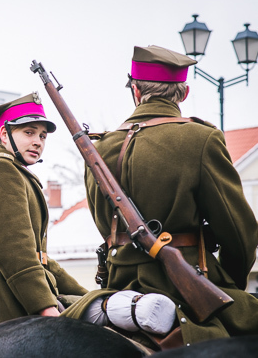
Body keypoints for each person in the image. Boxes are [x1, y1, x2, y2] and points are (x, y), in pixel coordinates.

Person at [62, 45, 258, 346]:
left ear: (136, 91)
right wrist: (224, 286)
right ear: (185, 92)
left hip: (118, 288)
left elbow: (106, 227)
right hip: (183, 293)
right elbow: (239, 233)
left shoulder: (100, 149)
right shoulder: (201, 139)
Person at [0, 92, 88, 325]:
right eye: (29, 132)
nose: (38, 142)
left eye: (43, 136)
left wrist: (87, 296)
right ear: (4, 134)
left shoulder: (16, 173)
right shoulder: (0, 171)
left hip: (17, 286)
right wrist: (44, 306)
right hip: (0, 294)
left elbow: (39, 257)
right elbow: (15, 252)